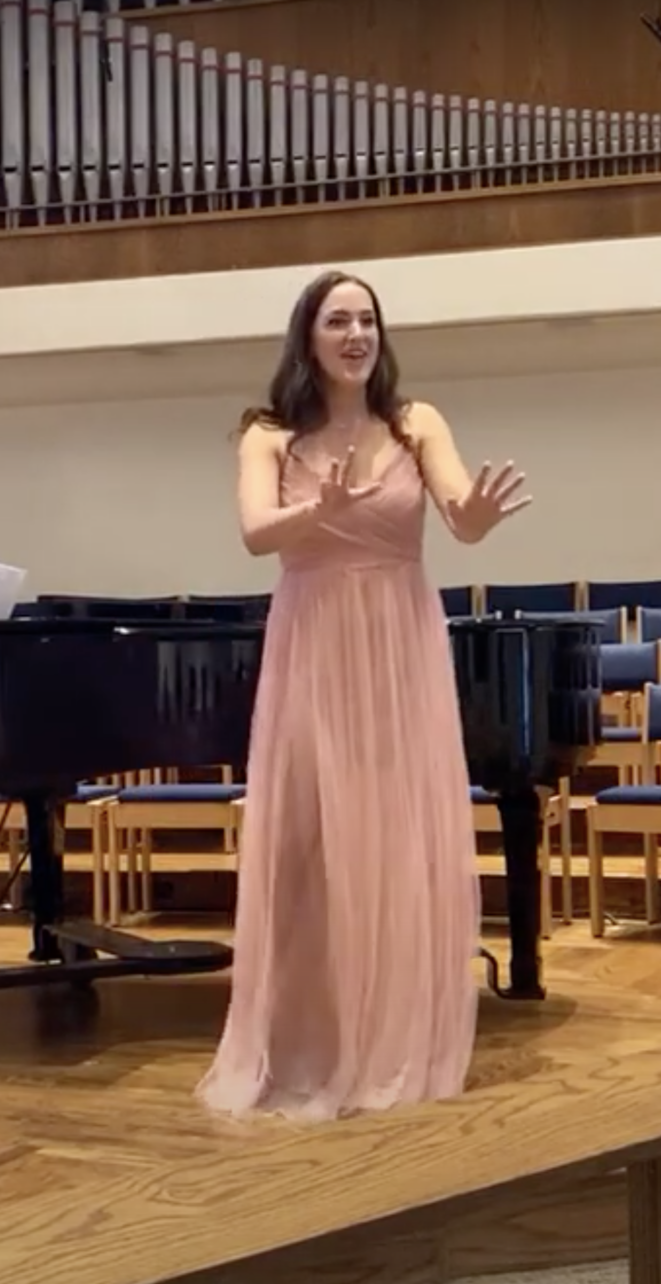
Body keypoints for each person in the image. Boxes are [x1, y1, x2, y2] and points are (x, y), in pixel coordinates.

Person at [196, 269, 531, 1124]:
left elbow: (460, 518)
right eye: (337, 320)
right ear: (307, 337)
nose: (356, 335)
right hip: (314, 642)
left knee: (395, 834)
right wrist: (320, 508)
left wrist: (480, 513)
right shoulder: (269, 435)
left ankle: (393, 1038)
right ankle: (307, 1043)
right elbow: (255, 533)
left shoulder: (415, 423)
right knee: (311, 841)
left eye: (367, 320)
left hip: (398, 643)